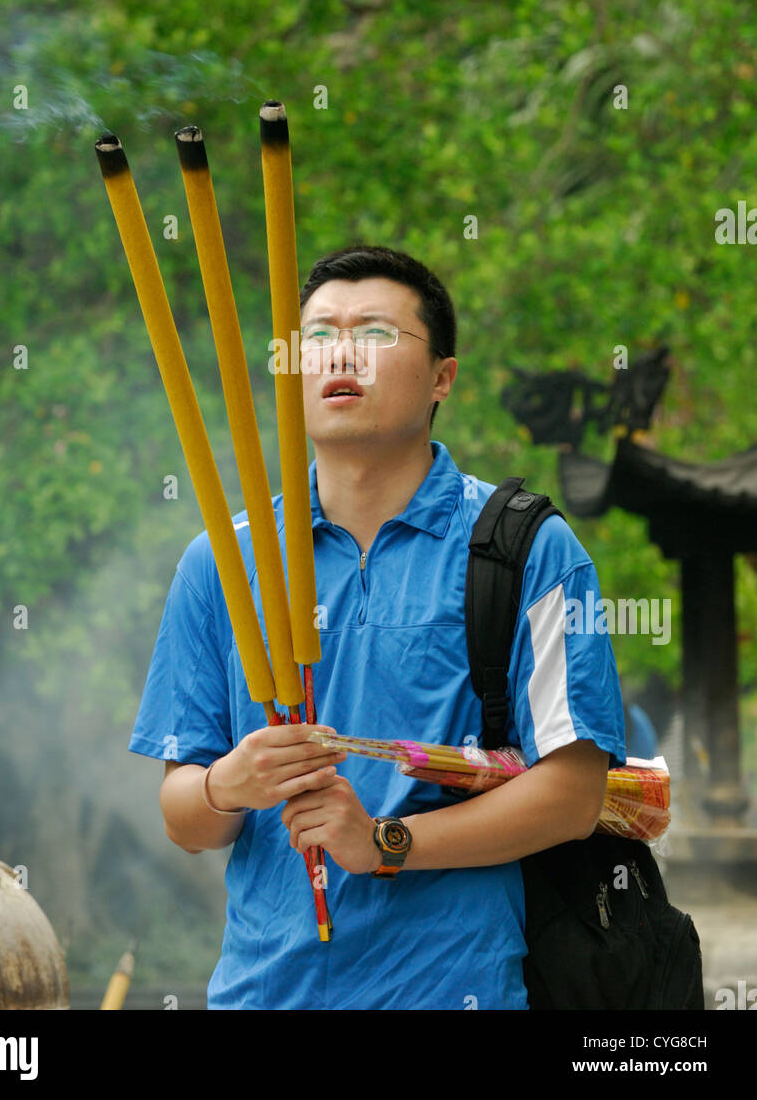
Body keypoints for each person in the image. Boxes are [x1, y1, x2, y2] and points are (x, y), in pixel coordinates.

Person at [129, 245, 627, 1009]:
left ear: (442, 378)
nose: (342, 353)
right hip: (263, 993)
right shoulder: (226, 562)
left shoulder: (527, 550)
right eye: (318, 335)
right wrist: (230, 785)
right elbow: (186, 820)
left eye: (377, 332)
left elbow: (573, 792)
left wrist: (387, 844)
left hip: (455, 990)